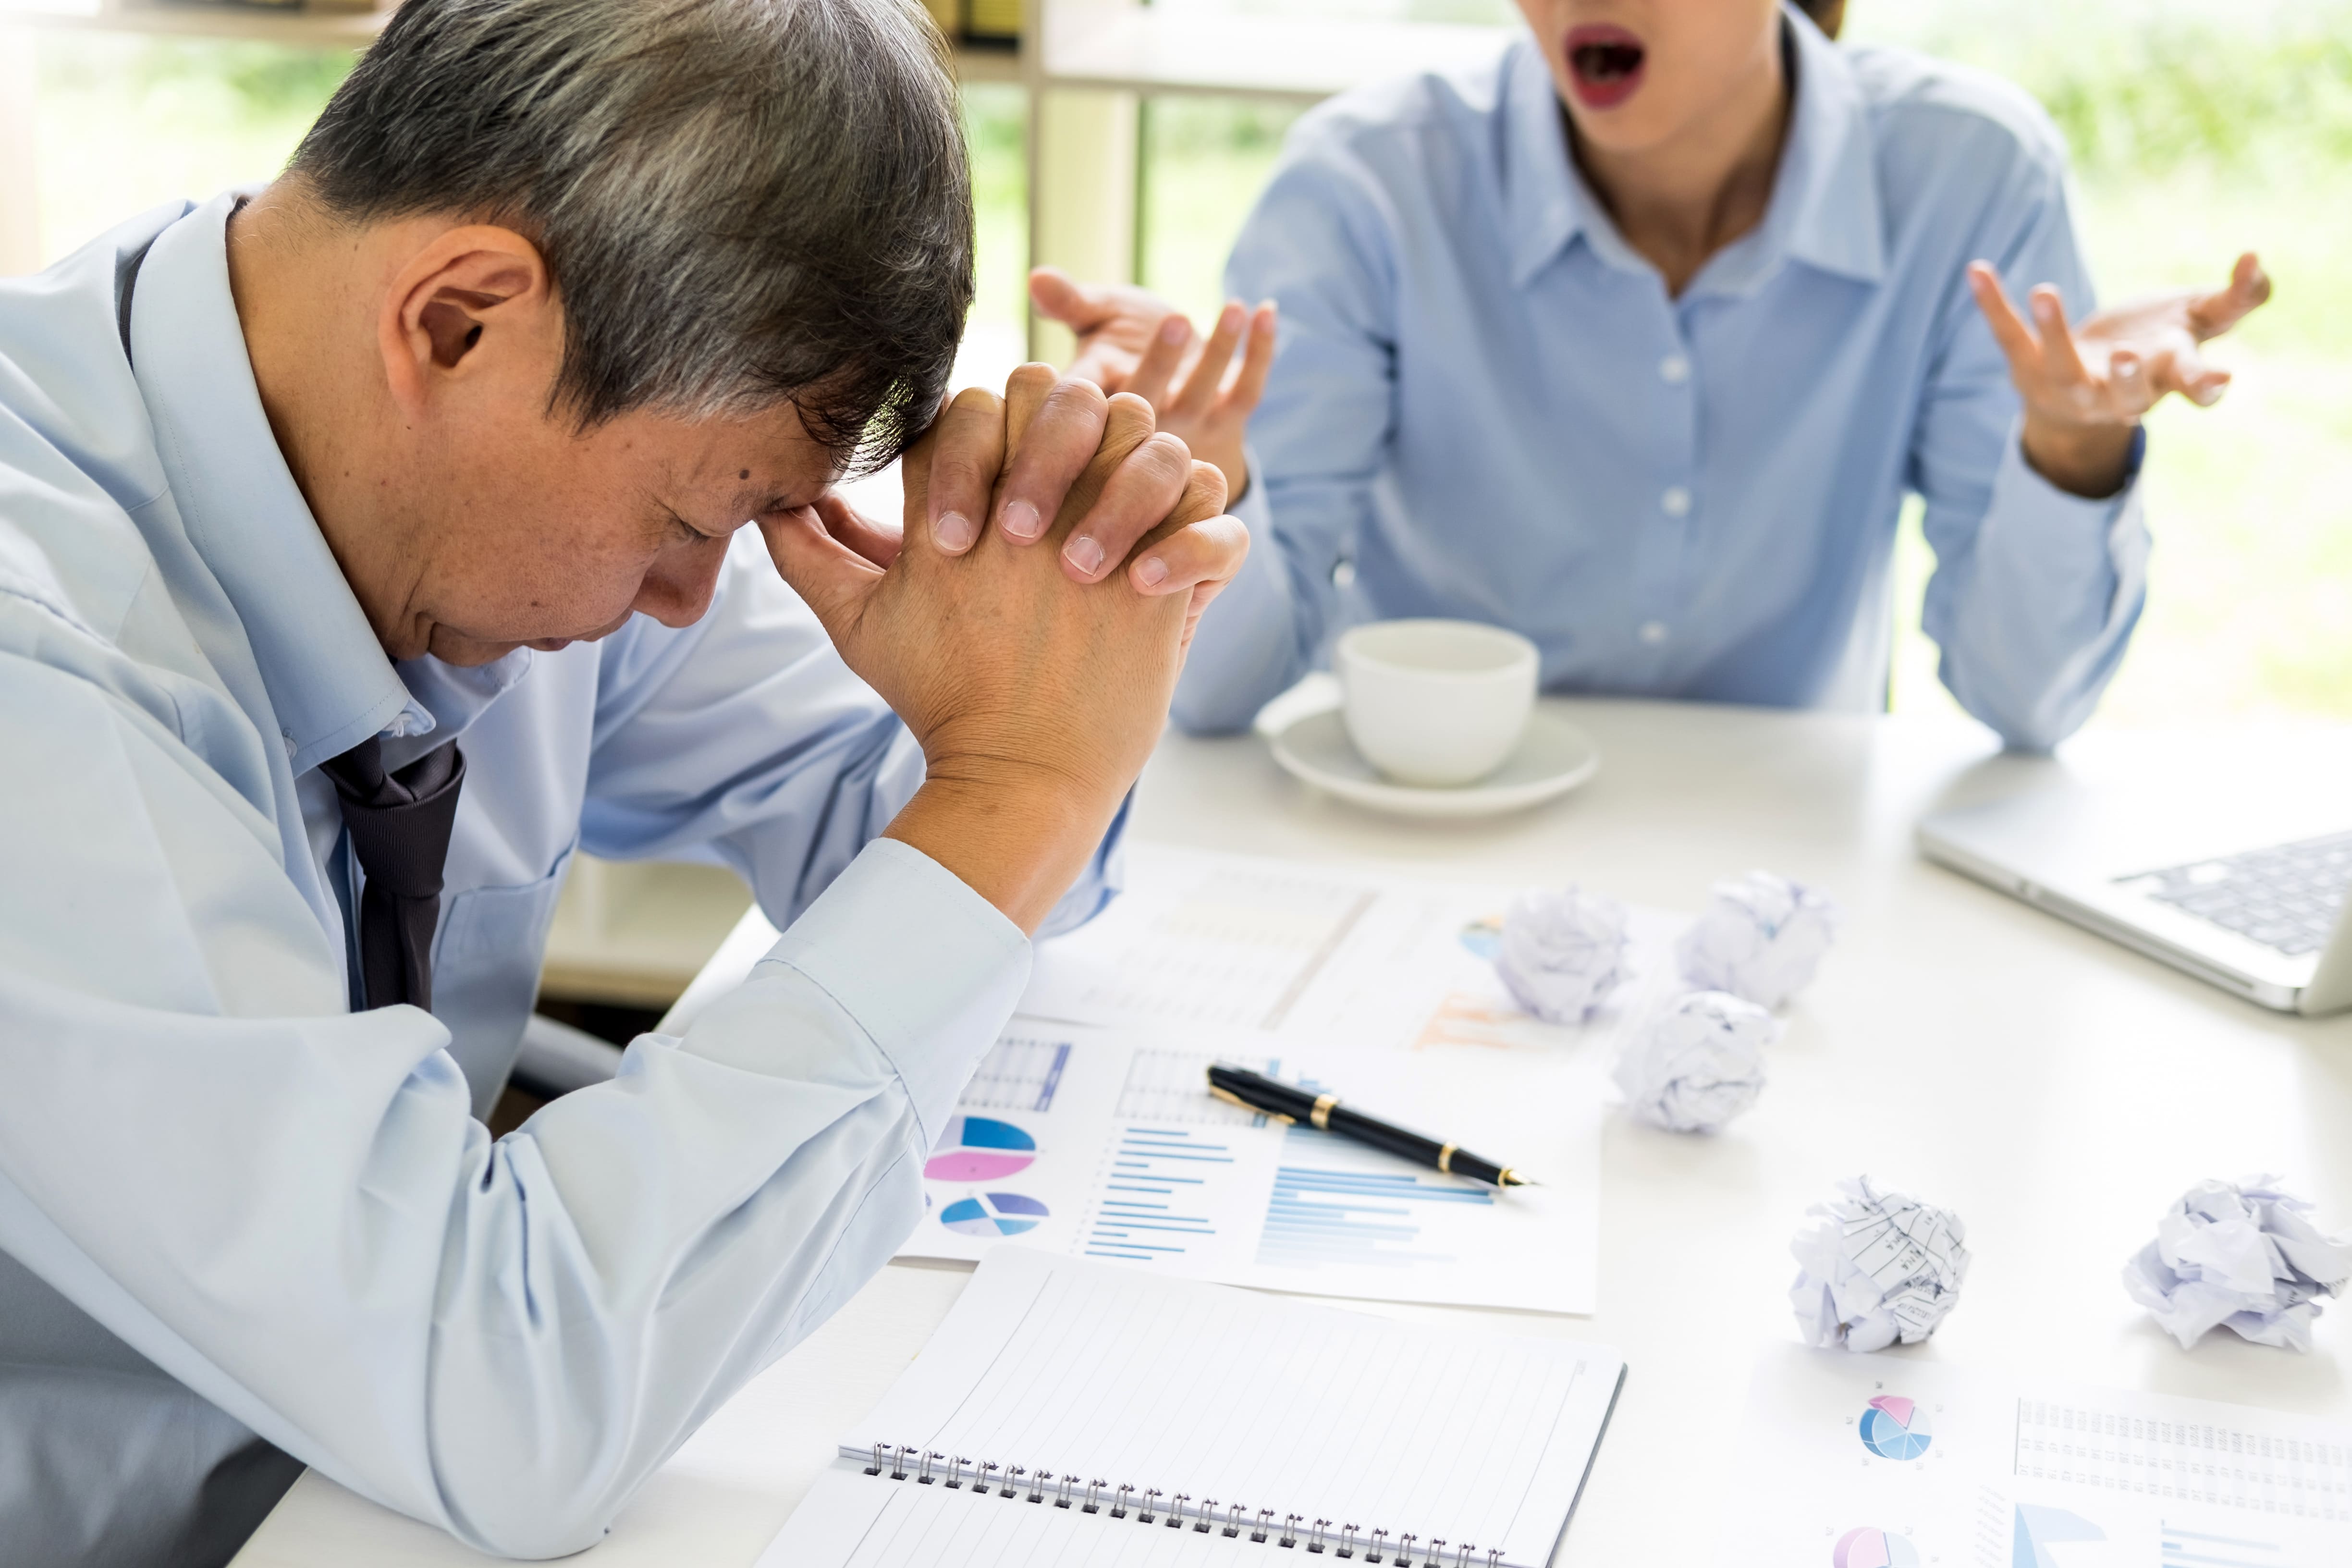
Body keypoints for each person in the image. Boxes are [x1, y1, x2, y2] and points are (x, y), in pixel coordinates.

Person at [0, 0, 1245, 1563]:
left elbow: (908, 846)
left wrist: (1037, 662)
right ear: (456, 320)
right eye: (691, 519)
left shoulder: (451, 460)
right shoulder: (34, 665)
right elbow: (499, 1401)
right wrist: (1014, 787)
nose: (685, 595)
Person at [1034, 0, 2271, 750]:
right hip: (1419, 850)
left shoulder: (1972, 175)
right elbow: (1218, 700)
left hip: (1787, 873)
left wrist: (2069, 449)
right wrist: (1204, 486)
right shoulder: (1365, 186)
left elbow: (2028, 707)